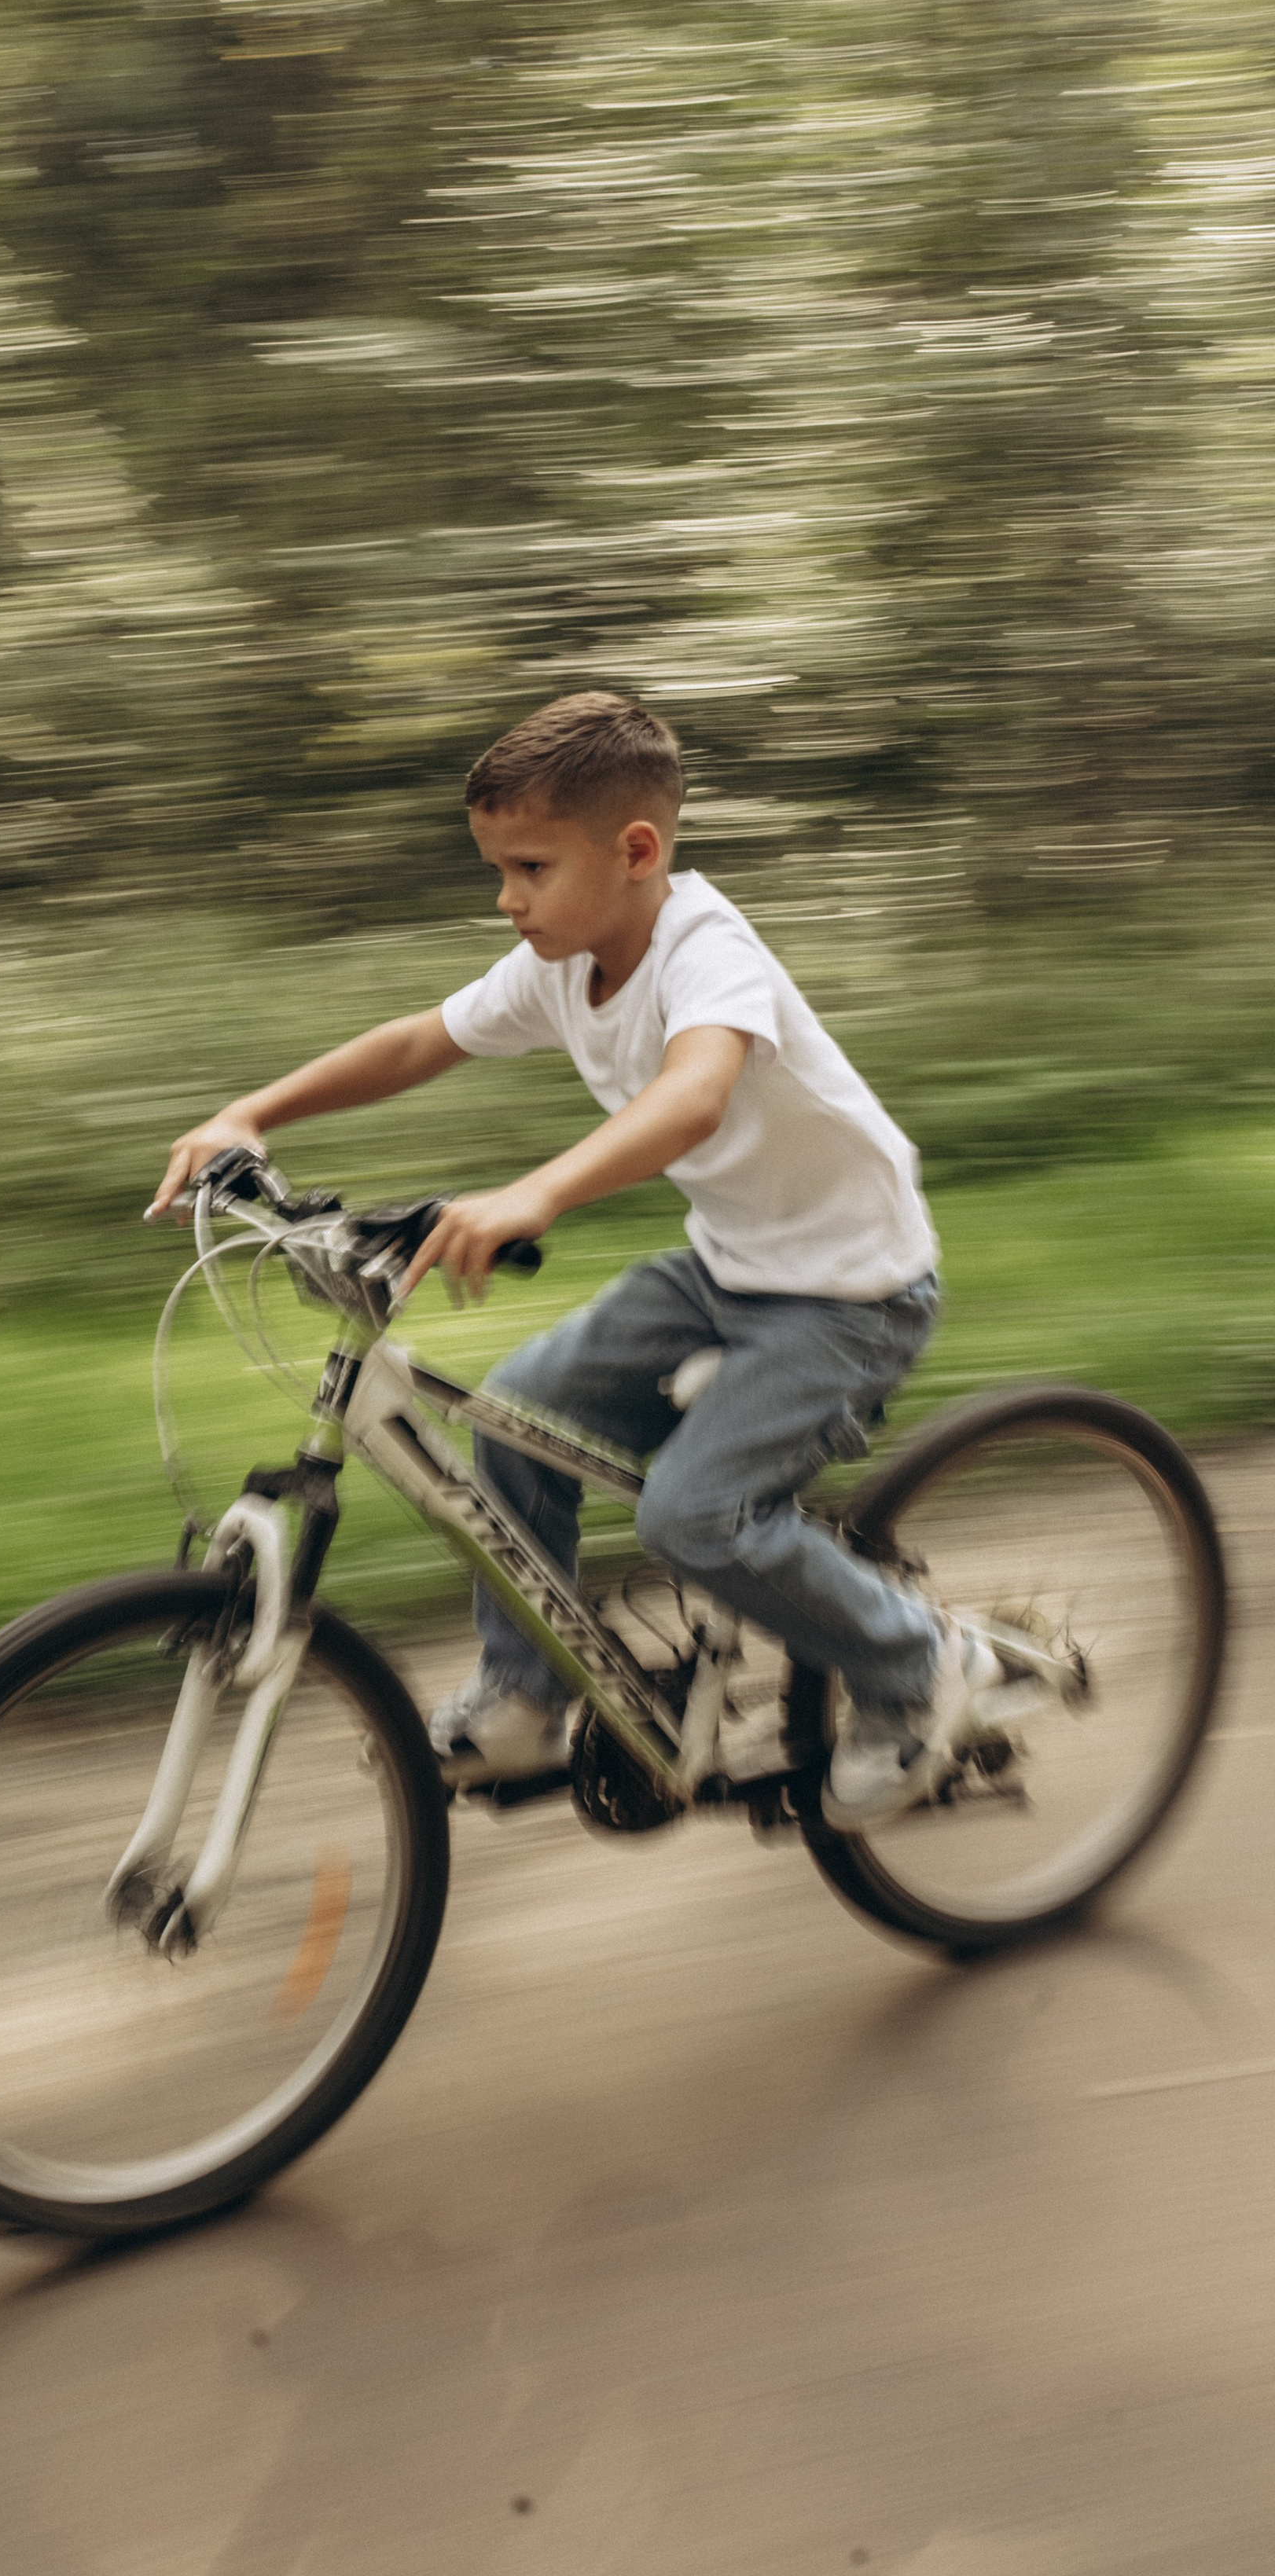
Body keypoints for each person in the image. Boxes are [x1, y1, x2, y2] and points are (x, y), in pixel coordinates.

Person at [146, 688, 998, 1832]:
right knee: (511, 1420)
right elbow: (418, 1042)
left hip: (851, 1296)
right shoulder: (561, 961)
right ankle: (525, 1695)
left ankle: (920, 1666)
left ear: (636, 851)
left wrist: (537, 1192)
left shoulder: (706, 950)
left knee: (694, 1520)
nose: (507, 899)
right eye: (499, 870)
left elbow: (693, 1099)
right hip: (727, 1269)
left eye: (531, 869)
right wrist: (252, 1113)